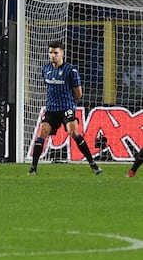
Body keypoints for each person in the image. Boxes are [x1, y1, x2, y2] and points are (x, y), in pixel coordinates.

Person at [28, 41, 103, 175]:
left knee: (73, 133)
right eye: (51, 52)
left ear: (62, 53)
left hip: (66, 108)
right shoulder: (46, 69)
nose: (53, 55)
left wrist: (69, 102)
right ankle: (33, 168)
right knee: (42, 131)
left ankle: (93, 164)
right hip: (51, 109)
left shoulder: (71, 71)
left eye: (56, 53)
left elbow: (78, 94)